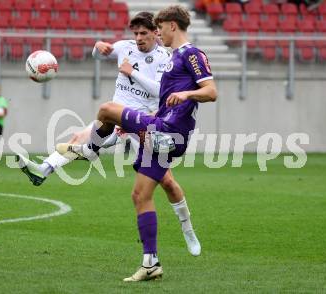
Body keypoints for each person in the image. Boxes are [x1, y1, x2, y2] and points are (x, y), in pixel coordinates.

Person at [17, 12, 202, 258]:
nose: (138, 38)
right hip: (117, 116)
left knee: (167, 182)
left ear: (156, 34)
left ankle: (187, 229)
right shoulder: (125, 47)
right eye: (135, 33)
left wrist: (132, 73)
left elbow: (161, 92)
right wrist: (98, 48)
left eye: (143, 34)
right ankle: (44, 170)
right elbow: (99, 54)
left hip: (144, 121)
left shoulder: (163, 58)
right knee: (80, 137)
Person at [57, 5, 217, 281]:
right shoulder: (173, 56)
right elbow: (165, 95)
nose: (158, 33)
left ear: (172, 26)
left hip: (170, 132)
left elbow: (211, 91)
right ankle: (151, 263)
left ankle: (90, 151)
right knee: (140, 196)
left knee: (107, 110)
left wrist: (187, 95)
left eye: (160, 28)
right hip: (160, 128)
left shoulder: (192, 54)